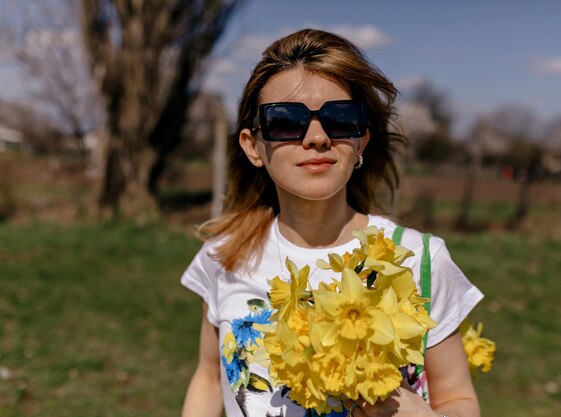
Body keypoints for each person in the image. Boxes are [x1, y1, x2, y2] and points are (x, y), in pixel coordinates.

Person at [180, 28, 483, 417]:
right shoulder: (225, 255)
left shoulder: (415, 258)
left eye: (340, 120)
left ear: (361, 142)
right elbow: (207, 379)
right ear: (253, 146)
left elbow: (460, 400)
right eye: (286, 121)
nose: (318, 137)